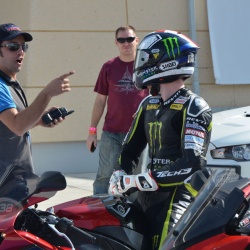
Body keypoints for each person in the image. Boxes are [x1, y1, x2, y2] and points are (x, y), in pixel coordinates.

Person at [108, 30, 212, 249]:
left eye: (146, 58)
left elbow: (193, 164)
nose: (141, 63)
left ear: (165, 62)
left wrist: (138, 181)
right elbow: (130, 149)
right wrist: (120, 173)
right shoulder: (148, 105)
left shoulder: (194, 106)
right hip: (147, 196)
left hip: (180, 196)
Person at [0, 23, 74, 180]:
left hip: (17, 179)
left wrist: (39, 120)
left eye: (23, 46)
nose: (20, 51)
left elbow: (11, 128)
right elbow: (17, 125)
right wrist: (47, 93)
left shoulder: (10, 82)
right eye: (13, 46)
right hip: (5, 185)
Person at [86, 25, 149, 194]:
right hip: (112, 133)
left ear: (137, 40)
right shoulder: (109, 67)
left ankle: (133, 217)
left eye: (129, 39)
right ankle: (98, 211)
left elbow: (156, 99)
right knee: (105, 175)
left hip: (139, 134)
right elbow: (100, 100)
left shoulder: (146, 66)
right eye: (121, 40)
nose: (126, 43)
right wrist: (92, 131)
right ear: (116, 43)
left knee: (135, 178)